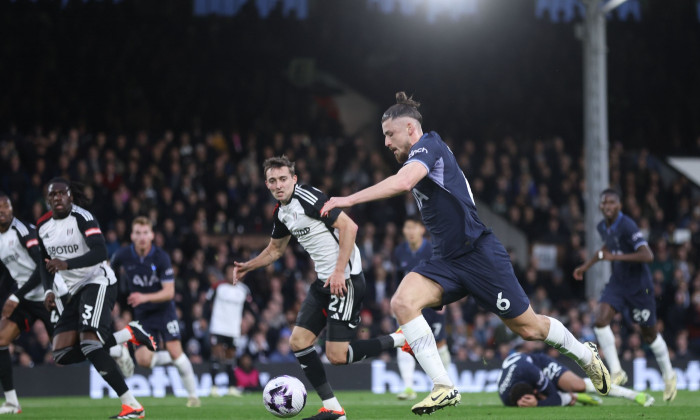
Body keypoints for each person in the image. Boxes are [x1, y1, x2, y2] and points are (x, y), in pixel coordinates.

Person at [319, 92, 611, 415]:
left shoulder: (428, 146)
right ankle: (443, 386)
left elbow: (403, 183)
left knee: (530, 329)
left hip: (479, 255)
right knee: (402, 302)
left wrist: (348, 200)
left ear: (411, 129)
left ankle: (586, 355)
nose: (386, 143)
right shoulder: (416, 154)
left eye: (390, 134)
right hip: (445, 260)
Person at [233, 156, 406, 420]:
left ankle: (401, 339)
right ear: (266, 184)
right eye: (272, 181)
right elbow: (275, 250)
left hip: (345, 281)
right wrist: (249, 265)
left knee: (336, 355)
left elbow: (350, 226)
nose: (278, 185)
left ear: (294, 179)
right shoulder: (281, 212)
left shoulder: (308, 198)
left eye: (282, 179)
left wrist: (339, 272)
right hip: (324, 282)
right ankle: (334, 409)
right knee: (298, 341)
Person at [38, 178, 156, 419]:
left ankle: (132, 405)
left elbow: (101, 252)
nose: (58, 198)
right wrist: (48, 290)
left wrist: (67, 263)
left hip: (98, 281)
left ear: (70, 196)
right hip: (74, 291)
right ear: (48, 199)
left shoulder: (83, 218)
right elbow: (44, 262)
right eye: (53, 195)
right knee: (60, 353)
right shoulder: (42, 226)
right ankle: (127, 335)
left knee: (90, 343)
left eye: (63, 193)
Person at [573, 188, 676, 401]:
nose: (608, 206)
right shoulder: (603, 226)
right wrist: (586, 266)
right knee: (600, 320)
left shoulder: (627, 225)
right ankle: (617, 371)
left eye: (612, 202)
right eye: (605, 203)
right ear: (601, 206)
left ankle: (669, 375)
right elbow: (607, 249)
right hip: (618, 283)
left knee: (649, 335)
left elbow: (647, 255)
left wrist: (616, 257)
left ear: (619, 205)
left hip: (639, 286)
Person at [110, 216, 200, 407]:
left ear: (151, 235)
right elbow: (109, 275)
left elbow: (169, 292)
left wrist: (143, 297)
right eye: (138, 233)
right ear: (132, 235)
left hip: (164, 311)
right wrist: (112, 300)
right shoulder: (123, 255)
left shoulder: (161, 257)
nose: (142, 237)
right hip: (143, 314)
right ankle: (177, 359)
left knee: (175, 350)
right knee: (142, 360)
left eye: (145, 233)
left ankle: (193, 396)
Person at [0, 193, 63, 414]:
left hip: (48, 297)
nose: (3, 212)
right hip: (26, 299)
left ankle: (115, 348)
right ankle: (11, 402)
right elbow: (7, 274)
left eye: (6, 207)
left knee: (67, 353)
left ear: (12, 209)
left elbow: (41, 267)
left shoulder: (23, 231)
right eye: (0, 209)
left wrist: (16, 295)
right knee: (0, 340)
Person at [392, 216, 450, 400]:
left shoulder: (433, 249)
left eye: (413, 227)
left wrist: (445, 298)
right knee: (404, 340)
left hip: (432, 304)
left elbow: (445, 274)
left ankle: (446, 385)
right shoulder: (399, 251)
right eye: (406, 227)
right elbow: (397, 278)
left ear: (421, 230)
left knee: (439, 342)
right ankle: (408, 388)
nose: (409, 231)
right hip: (409, 305)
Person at [497, 347, 655, 407]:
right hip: (519, 372)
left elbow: (554, 396)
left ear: (534, 388)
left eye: (536, 393)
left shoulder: (531, 373)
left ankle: (634, 395)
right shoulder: (507, 398)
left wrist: (538, 404)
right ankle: (575, 397)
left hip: (539, 363)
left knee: (577, 385)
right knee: (559, 395)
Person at [205, 264, 249, 397]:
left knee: (231, 357)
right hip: (218, 326)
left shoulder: (244, 290)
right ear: (225, 274)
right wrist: (203, 318)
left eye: (235, 272)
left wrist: (246, 321)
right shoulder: (218, 287)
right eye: (230, 272)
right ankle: (213, 387)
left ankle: (231, 387)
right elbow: (207, 303)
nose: (232, 275)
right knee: (217, 355)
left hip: (233, 328)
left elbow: (248, 308)